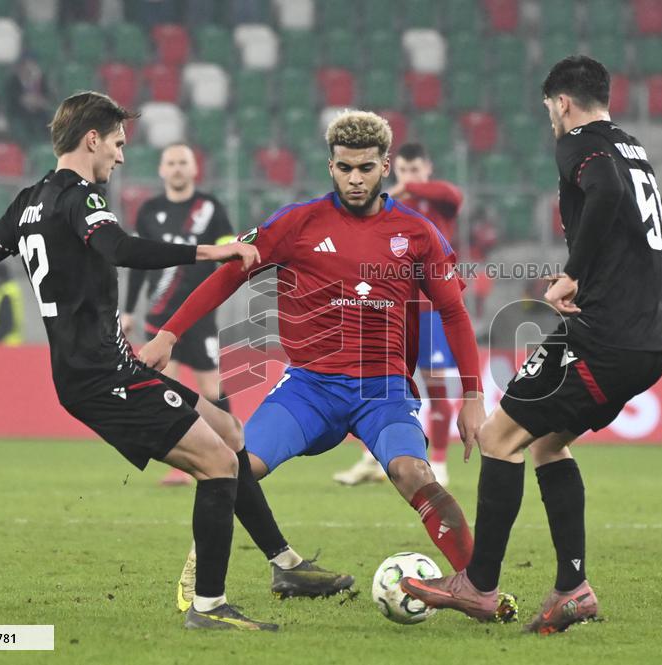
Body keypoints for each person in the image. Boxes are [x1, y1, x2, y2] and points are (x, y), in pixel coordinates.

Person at [0, 91, 279, 631]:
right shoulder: (78, 198)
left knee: (227, 427)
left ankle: (284, 563)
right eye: (118, 144)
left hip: (104, 366)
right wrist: (213, 250)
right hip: (99, 374)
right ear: (92, 140)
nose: (122, 157)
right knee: (219, 463)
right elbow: (120, 250)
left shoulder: (29, 199)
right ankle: (209, 608)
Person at [140, 110, 499, 613]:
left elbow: (455, 314)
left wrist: (474, 397)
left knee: (413, 473)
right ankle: (206, 566)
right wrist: (169, 334)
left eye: (366, 168)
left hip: (383, 390)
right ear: (330, 166)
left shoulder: (416, 233)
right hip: (309, 387)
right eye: (345, 168)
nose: (356, 179)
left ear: (385, 166)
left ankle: (480, 588)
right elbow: (229, 274)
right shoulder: (297, 222)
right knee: (233, 465)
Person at [400, 55, 662, 634]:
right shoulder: (632, 147)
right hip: (648, 334)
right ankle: (572, 588)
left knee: (501, 437)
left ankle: (478, 585)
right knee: (548, 443)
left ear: (563, 103)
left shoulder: (581, 143)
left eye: (549, 107)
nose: (549, 116)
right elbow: (659, 238)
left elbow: (601, 194)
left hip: (605, 335)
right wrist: (596, 276)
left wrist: (574, 272)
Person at [333, 142, 464, 487]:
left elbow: (453, 195)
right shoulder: (390, 207)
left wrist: (403, 186)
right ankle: (371, 460)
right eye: (404, 171)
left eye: (415, 170)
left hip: (431, 310)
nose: (409, 177)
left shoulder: (439, 200)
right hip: (392, 311)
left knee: (435, 387)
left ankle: (439, 463)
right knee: (375, 386)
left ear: (427, 168)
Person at [122, 143, 236, 487]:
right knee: (167, 391)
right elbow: (138, 263)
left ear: (194, 168)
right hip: (159, 317)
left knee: (210, 389)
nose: (176, 168)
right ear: (161, 169)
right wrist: (128, 309)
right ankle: (185, 464)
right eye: (170, 162)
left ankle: (233, 449)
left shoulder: (210, 208)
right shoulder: (149, 210)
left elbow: (227, 250)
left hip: (199, 315)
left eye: (182, 162)